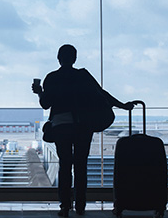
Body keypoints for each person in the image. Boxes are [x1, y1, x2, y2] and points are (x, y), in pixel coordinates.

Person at [32, 44, 134, 217]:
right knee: (81, 166)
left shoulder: (52, 77)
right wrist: (122, 106)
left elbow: (45, 104)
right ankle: (80, 205)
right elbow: (102, 94)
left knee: (65, 166)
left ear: (59, 58)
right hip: (83, 126)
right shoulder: (83, 75)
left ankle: (65, 206)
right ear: (75, 58)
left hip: (61, 125)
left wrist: (39, 92)